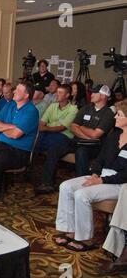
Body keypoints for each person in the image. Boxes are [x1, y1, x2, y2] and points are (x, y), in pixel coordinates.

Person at [54, 100, 127, 252]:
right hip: (102, 175)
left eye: (119, 115)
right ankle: (70, 229)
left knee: (81, 194)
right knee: (66, 186)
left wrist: (101, 180)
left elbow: (125, 175)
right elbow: (100, 158)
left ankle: (85, 237)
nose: (115, 118)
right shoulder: (114, 136)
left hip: (119, 183)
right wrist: (95, 173)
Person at [36, 85, 115, 194]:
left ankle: (82, 188)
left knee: (81, 152)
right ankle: (47, 183)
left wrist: (81, 127)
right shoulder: (86, 108)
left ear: (102, 96)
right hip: (77, 140)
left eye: (94, 93)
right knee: (55, 148)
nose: (91, 95)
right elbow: (73, 127)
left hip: (95, 146)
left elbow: (96, 135)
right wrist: (86, 134)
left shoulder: (108, 113)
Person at [36, 84, 78, 153]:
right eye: (57, 92)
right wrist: (43, 127)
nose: (57, 95)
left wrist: (45, 128)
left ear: (67, 95)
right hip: (49, 132)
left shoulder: (73, 109)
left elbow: (62, 128)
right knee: (35, 138)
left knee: (46, 141)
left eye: (60, 93)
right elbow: (42, 122)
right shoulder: (53, 106)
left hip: (64, 135)